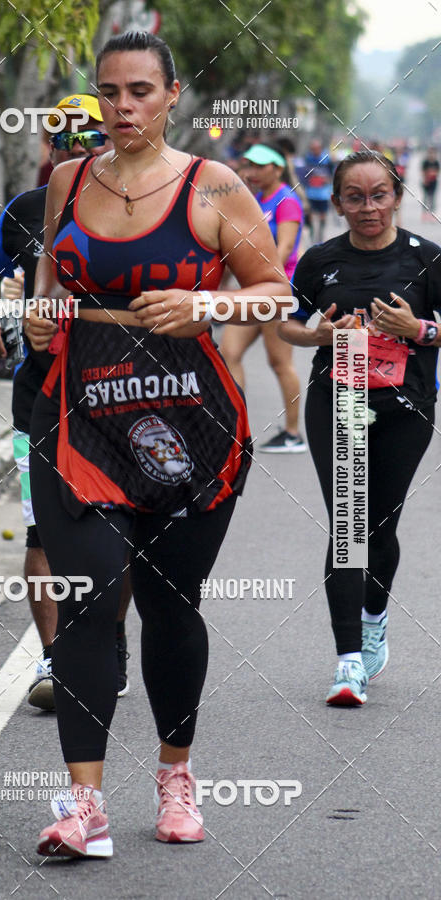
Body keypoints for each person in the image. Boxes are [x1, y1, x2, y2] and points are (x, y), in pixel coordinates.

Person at [25, 30, 290, 857]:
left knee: (173, 605)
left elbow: (274, 293)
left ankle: (176, 775)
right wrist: (35, 319)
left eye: (140, 91)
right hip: (81, 414)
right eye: (110, 92)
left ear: (173, 95)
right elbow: (47, 287)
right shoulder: (67, 180)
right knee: (90, 601)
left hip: (192, 416)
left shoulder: (213, 187)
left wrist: (205, 307)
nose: (123, 107)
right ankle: (84, 806)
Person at [0, 94, 132, 710]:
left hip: (120, 393)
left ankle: (109, 636)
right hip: (41, 394)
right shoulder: (26, 211)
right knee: (41, 534)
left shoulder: (144, 212)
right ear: (50, 149)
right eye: (65, 141)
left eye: (91, 138)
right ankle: (55, 658)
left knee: (121, 534)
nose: (80, 151)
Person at [279, 149, 441, 706]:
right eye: (355, 197)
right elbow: (288, 325)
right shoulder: (320, 259)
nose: (368, 207)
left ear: (397, 195)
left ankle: (375, 616)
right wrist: (320, 335)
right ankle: (349, 661)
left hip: (407, 408)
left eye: (378, 195)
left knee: (381, 524)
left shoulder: (427, 258)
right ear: (339, 200)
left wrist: (417, 328)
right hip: (338, 402)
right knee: (348, 525)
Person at [220, 144, 306, 453]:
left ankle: (294, 434)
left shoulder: (287, 201)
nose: (252, 172)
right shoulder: (256, 200)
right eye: (249, 166)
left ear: (277, 168)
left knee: (280, 362)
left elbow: (284, 250)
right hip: (253, 292)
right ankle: (238, 428)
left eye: (259, 166)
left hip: (277, 291)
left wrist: (262, 279)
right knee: (229, 352)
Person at [302, 138, 334, 244]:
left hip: (323, 193)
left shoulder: (327, 159)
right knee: (310, 214)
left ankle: (320, 234)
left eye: (316, 149)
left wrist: (325, 180)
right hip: (311, 192)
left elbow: (332, 174)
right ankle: (312, 235)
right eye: (312, 149)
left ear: (320, 149)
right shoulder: (308, 159)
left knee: (322, 215)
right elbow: (304, 174)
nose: (314, 151)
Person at [421, 146, 439, 220]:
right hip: (426, 181)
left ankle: (432, 214)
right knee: (425, 198)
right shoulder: (425, 162)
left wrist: (433, 173)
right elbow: (422, 171)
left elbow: (437, 171)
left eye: (433, 153)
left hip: (434, 182)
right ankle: (424, 214)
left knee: (432, 198)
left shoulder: (436, 162)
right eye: (430, 153)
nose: (432, 155)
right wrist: (425, 179)